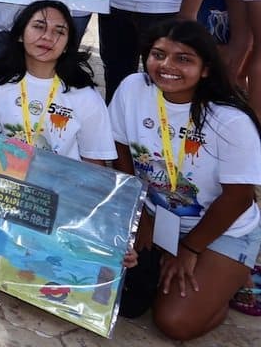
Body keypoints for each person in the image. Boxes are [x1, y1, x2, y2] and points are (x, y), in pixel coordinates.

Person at [111, 20, 261, 341]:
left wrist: (189, 249)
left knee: (175, 322)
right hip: (154, 213)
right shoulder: (133, 88)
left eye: (184, 58)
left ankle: (229, 282)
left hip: (222, 228)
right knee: (116, 289)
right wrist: (140, 213)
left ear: (206, 69)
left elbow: (239, 198)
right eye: (158, 54)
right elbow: (121, 151)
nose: (167, 65)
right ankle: (208, 278)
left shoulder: (230, 119)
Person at [0, 1, 115, 163]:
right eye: (39, 26)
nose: (47, 36)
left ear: (68, 45)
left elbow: (95, 163)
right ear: (20, 34)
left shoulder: (86, 96)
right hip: (6, 184)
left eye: (59, 31)